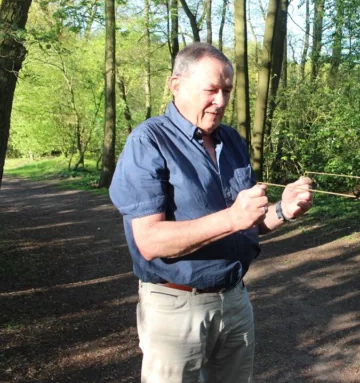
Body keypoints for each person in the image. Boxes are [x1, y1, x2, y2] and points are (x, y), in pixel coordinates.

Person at [109, 42, 313, 383]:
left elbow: (246, 224)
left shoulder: (231, 140)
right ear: (176, 85)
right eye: (211, 89)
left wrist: (283, 210)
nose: (220, 101)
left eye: (227, 91)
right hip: (175, 307)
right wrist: (232, 217)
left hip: (235, 301)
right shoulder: (148, 141)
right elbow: (150, 241)